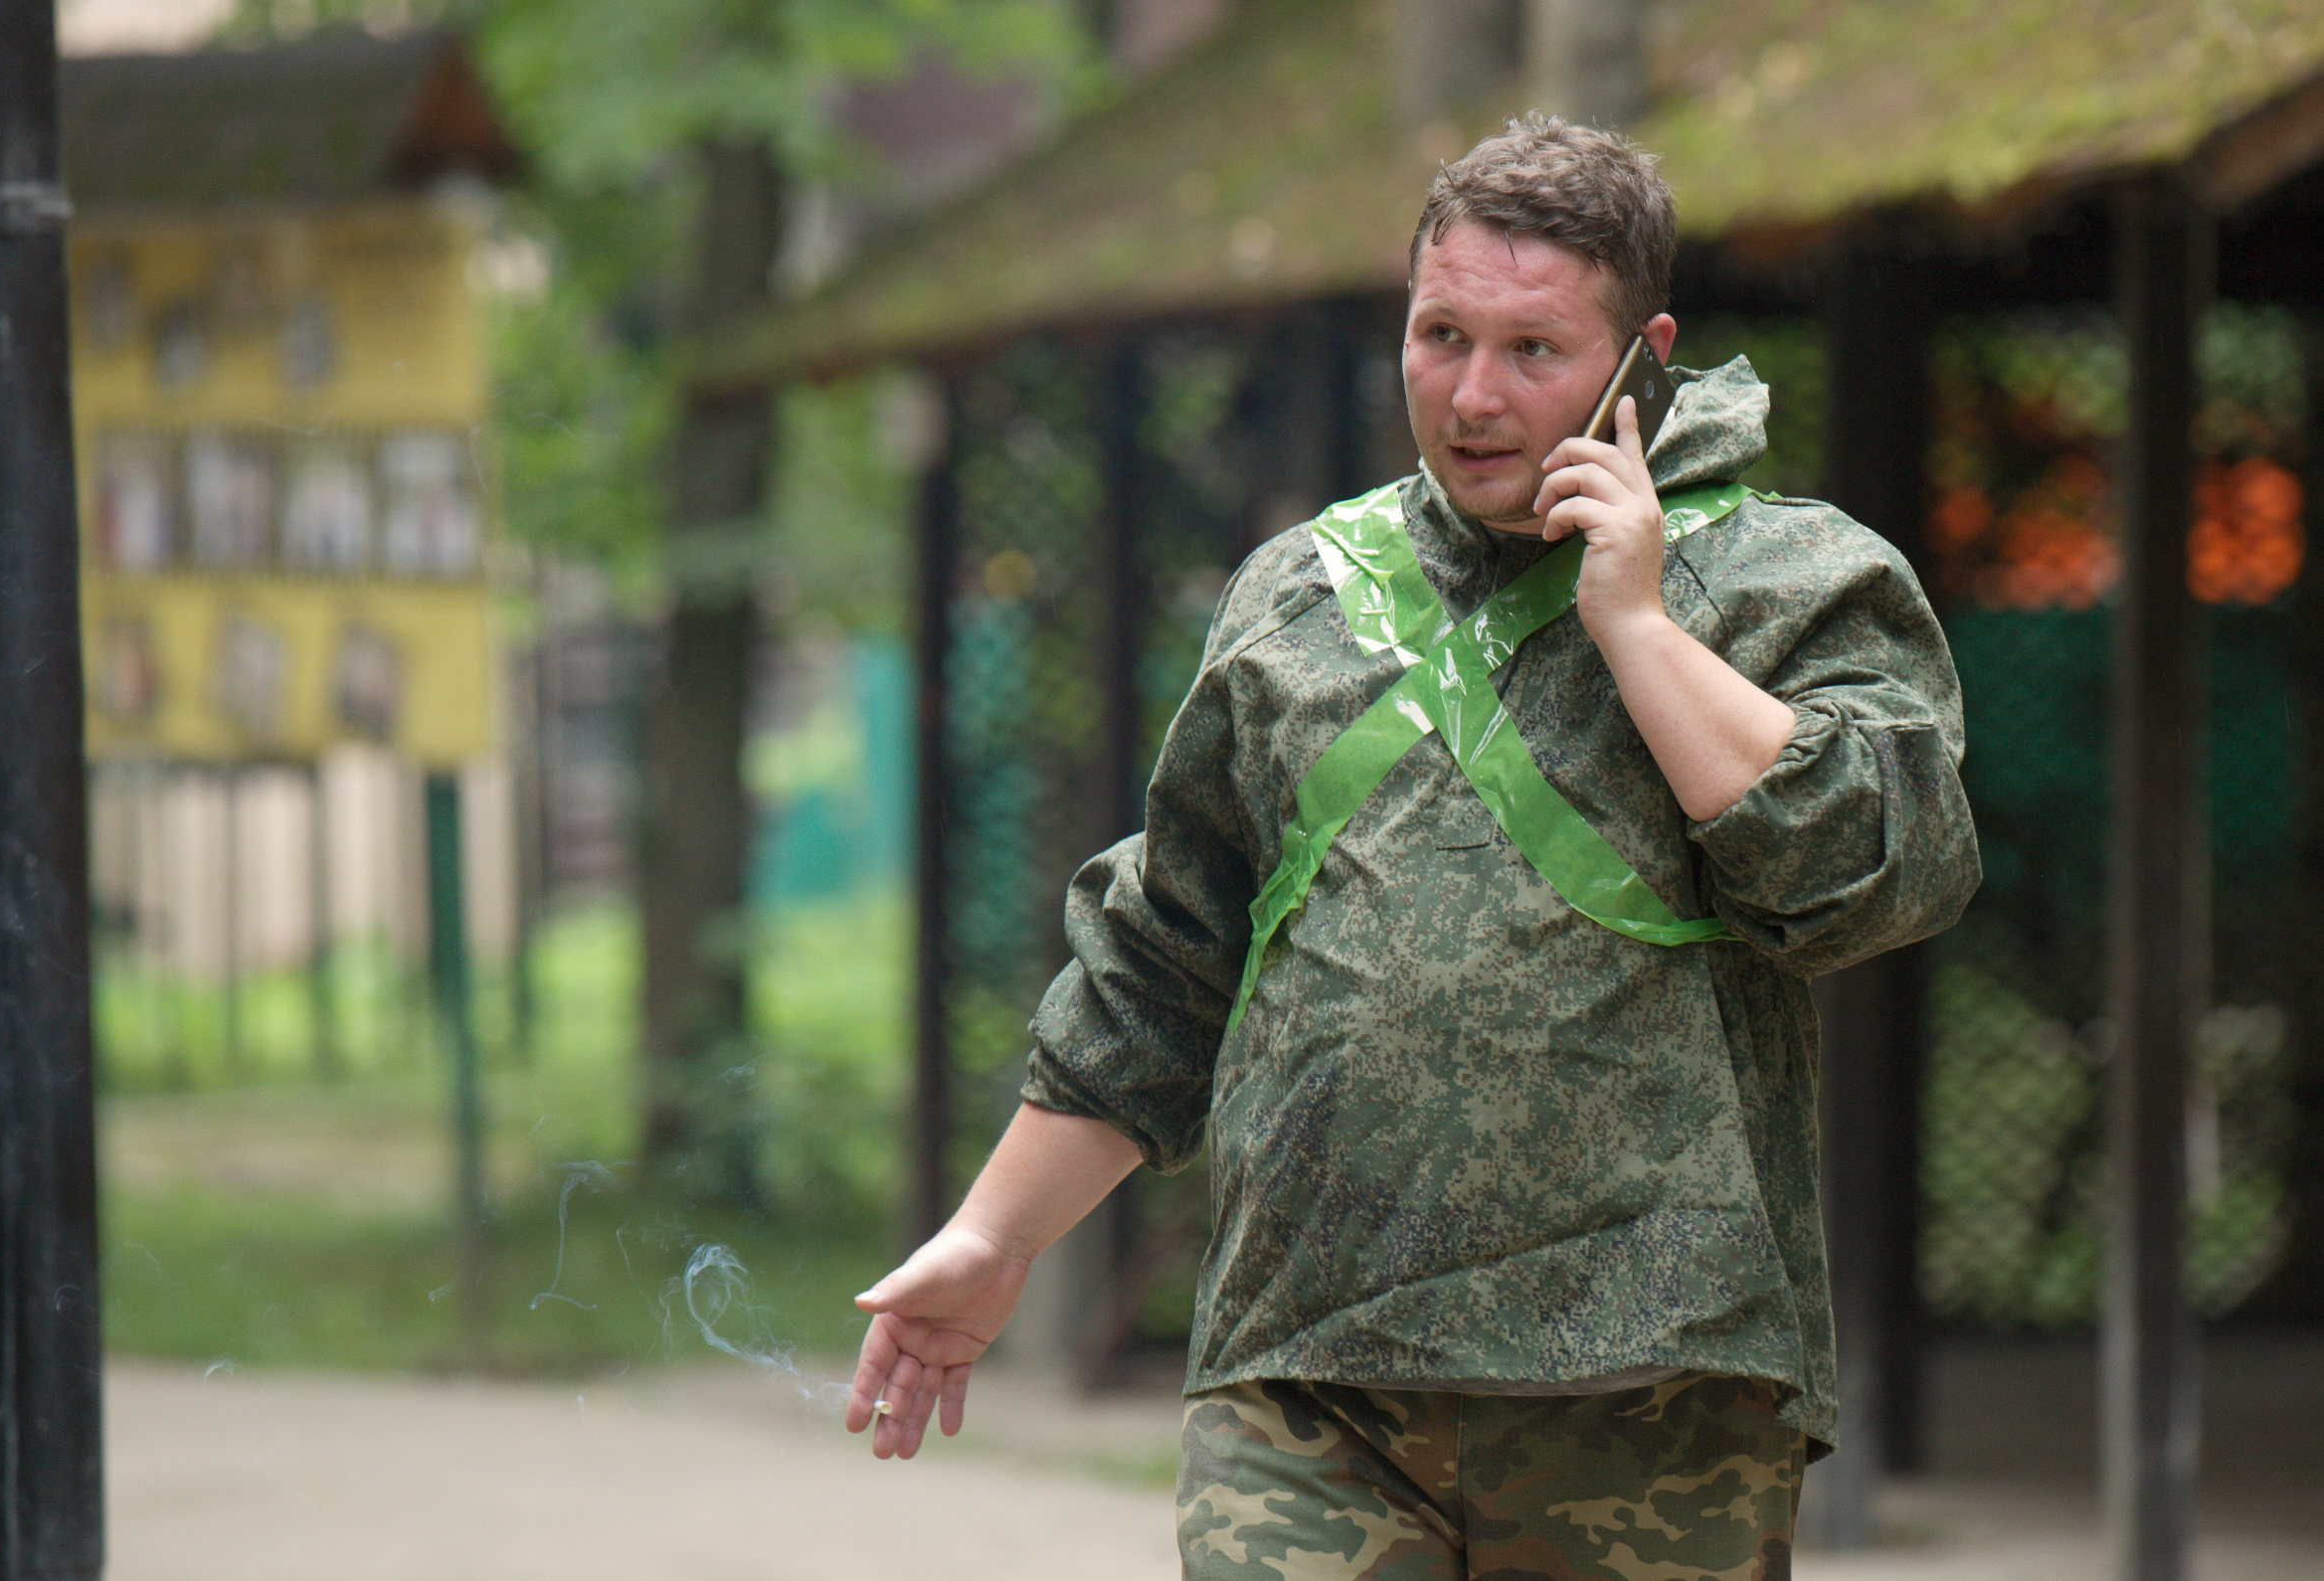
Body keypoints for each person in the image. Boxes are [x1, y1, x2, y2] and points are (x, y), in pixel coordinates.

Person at [844, 114, 1979, 1580]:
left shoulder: (1787, 575)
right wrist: (995, 1238)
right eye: (1441, 335)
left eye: (1533, 349)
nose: (1473, 394)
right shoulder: (1300, 592)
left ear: (1644, 354)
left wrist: (1636, 625)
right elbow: (1168, 955)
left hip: (1655, 1386)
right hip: (1305, 1376)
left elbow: (1874, 874)